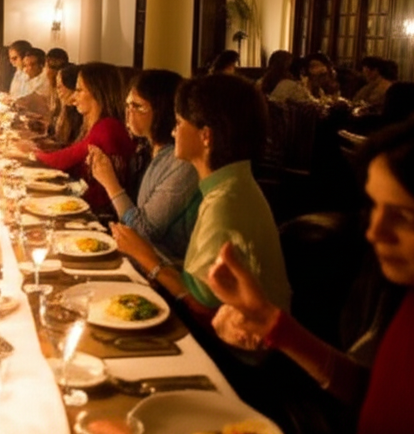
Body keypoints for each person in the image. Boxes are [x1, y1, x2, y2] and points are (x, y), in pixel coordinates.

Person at [205, 105, 414, 434]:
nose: (374, 232)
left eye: (408, 219)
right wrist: (272, 323)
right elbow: (374, 395)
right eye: (375, 207)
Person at [110, 74, 290, 321]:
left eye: (179, 122)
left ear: (206, 136)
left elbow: (204, 310)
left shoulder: (226, 202)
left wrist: (147, 258)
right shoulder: (229, 183)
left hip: (231, 351)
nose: (173, 132)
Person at [87, 69, 200, 262]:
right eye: (128, 105)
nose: (129, 113)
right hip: (134, 256)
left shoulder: (180, 161)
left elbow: (144, 231)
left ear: (164, 110)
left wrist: (110, 183)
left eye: (138, 106)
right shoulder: (144, 149)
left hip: (163, 269)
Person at [26, 62, 133, 211]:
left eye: (79, 90)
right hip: (87, 202)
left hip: (99, 215)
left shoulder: (107, 127)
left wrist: (29, 154)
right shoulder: (97, 124)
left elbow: (65, 158)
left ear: (97, 92)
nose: (74, 97)